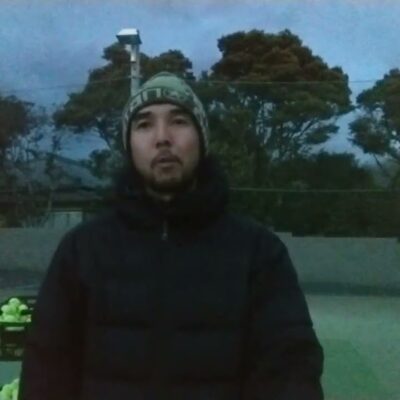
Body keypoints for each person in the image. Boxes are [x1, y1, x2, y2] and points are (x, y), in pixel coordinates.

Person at [19, 72, 324, 400]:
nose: (163, 138)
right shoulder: (82, 249)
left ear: (201, 138)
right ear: (129, 145)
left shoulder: (258, 252)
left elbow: (290, 369)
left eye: (179, 121)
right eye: (144, 125)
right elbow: (45, 368)